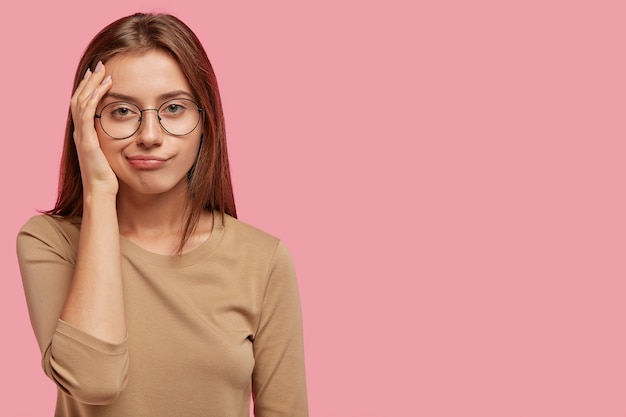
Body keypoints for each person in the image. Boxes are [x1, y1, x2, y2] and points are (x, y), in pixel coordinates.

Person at [16, 12, 308, 417]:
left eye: (173, 108)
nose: (149, 136)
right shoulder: (49, 242)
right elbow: (93, 381)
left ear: (205, 122)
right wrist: (99, 191)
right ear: (87, 124)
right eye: (121, 112)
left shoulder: (263, 259)